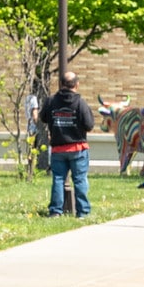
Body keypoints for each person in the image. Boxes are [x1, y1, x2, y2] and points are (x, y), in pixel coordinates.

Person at [39, 73, 96, 217]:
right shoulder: (80, 103)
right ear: (77, 85)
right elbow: (89, 125)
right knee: (80, 179)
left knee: (58, 179)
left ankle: (55, 212)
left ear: (61, 84)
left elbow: (43, 117)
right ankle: (82, 212)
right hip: (77, 149)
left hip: (58, 149)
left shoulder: (51, 101)